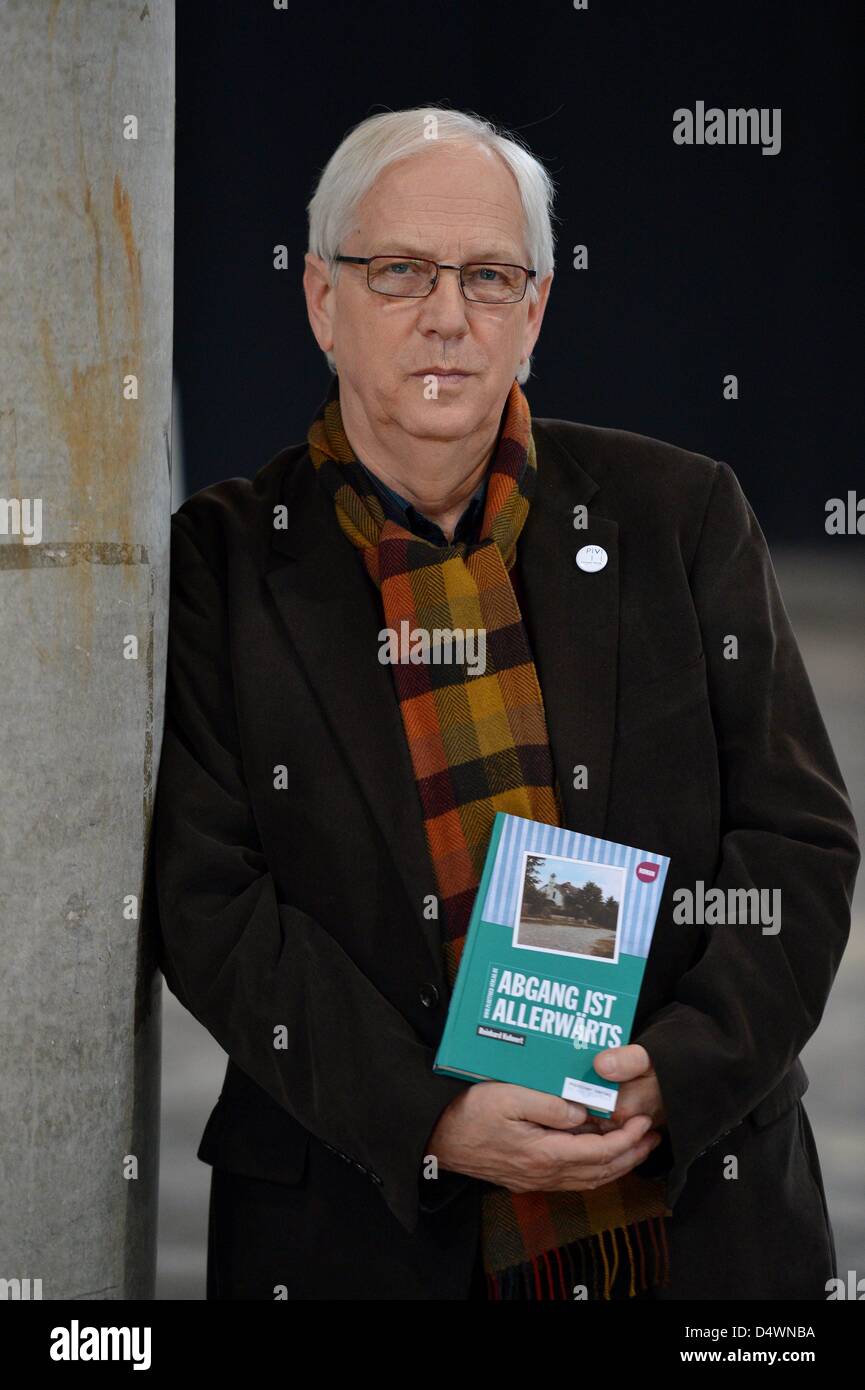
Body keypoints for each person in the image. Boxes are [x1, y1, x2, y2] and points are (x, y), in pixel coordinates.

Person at [148, 106, 859, 1300]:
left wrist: (675, 1073)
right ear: (322, 301)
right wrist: (433, 1115)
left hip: (691, 1226)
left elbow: (795, 842)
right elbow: (209, 904)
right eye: (398, 274)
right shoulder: (220, 563)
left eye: (487, 276)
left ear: (531, 314)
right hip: (356, 1229)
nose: (446, 314)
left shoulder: (680, 515)